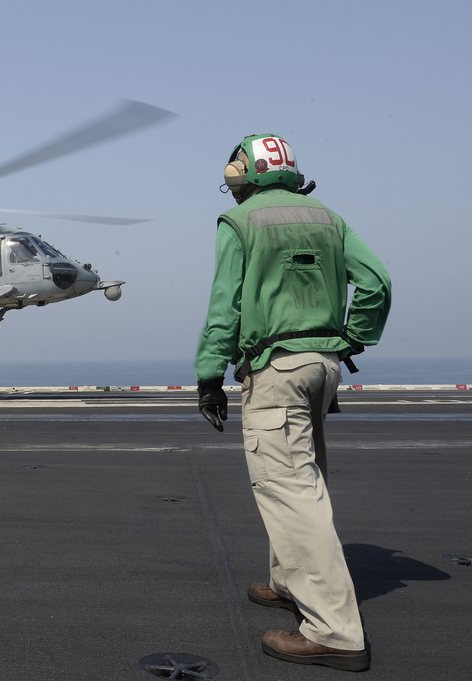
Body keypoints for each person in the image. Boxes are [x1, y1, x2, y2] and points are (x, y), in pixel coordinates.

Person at [195, 134, 391, 672]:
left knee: (289, 491)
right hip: (323, 368)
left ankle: (334, 632)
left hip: (276, 370)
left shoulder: (241, 222)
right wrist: (353, 338)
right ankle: (288, 581)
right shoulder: (329, 216)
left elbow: (226, 305)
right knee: (307, 475)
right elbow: (377, 282)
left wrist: (210, 375)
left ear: (247, 176)